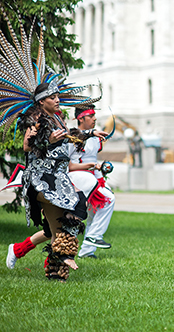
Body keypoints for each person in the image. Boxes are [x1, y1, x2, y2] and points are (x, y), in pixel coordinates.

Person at [0, 16, 104, 280]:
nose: (59, 100)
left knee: (54, 228)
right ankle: (63, 259)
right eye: (54, 97)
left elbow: (71, 133)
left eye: (58, 97)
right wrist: (49, 141)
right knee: (66, 218)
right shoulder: (34, 120)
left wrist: (91, 132)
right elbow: (28, 145)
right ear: (41, 101)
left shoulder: (57, 118)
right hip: (42, 181)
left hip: (58, 178)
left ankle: (44, 265)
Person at [68, 105, 116, 259]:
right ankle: (93, 236)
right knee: (108, 199)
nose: (95, 118)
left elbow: (93, 158)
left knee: (94, 211)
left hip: (94, 176)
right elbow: (70, 166)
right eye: (91, 116)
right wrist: (90, 166)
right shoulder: (72, 137)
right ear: (80, 118)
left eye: (95, 115)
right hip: (78, 176)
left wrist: (102, 167)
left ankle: (87, 251)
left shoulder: (96, 139)